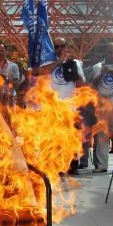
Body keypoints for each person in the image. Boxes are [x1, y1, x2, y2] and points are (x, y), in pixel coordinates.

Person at [36, 37, 86, 175]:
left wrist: (73, 72)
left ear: (66, 47)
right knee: (55, 140)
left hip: (70, 108)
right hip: (53, 109)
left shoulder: (75, 63)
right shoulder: (49, 63)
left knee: (71, 139)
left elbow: (82, 84)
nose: (59, 49)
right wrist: (58, 62)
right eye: (56, 46)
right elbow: (39, 72)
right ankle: (56, 166)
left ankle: (72, 166)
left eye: (61, 46)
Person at [89, 43, 113, 173]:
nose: (112, 55)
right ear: (105, 52)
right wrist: (101, 75)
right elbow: (94, 84)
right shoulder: (97, 67)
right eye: (109, 52)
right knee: (102, 136)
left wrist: (109, 71)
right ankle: (101, 165)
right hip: (103, 107)